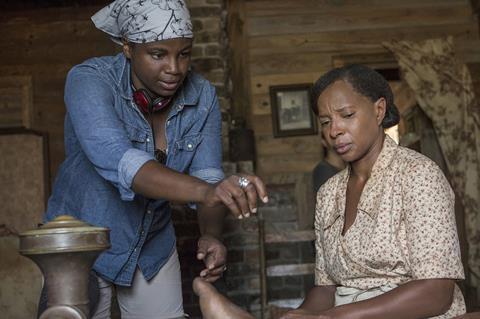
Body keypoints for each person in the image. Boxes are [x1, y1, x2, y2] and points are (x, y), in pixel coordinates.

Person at [42, 1, 267, 318]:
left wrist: (211, 234)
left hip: (152, 243)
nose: (175, 68)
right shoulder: (89, 81)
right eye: (158, 54)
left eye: (184, 53)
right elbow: (123, 163)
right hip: (81, 243)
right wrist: (206, 191)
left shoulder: (201, 95)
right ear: (128, 47)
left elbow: (208, 177)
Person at [192, 64, 466, 319]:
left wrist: (335, 316)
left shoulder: (418, 175)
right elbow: (326, 289)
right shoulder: (329, 193)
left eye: (347, 115)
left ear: (379, 110)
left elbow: (437, 291)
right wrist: (301, 315)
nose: (334, 130)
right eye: (325, 122)